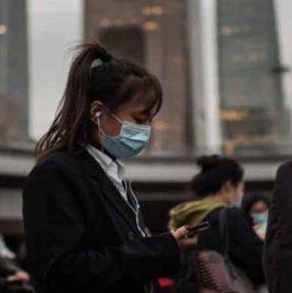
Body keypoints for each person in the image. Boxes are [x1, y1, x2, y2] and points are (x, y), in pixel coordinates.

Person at [22, 43, 195, 293]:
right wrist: (160, 249)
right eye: (139, 119)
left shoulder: (112, 173)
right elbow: (64, 272)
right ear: (98, 112)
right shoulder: (56, 173)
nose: (146, 130)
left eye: (150, 122)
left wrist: (164, 246)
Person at [169, 156, 265, 291]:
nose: (241, 193)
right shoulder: (229, 217)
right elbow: (259, 262)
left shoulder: (183, 218)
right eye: (240, 187)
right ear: (227, 186)